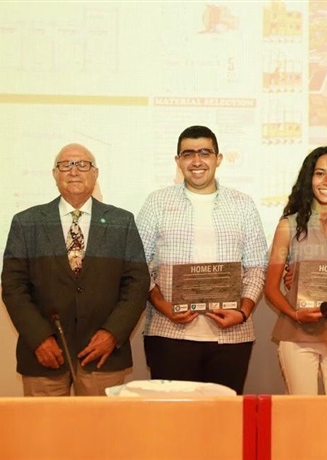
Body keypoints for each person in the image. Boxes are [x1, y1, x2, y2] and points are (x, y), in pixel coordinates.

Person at [1, 143, 150, 396]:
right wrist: (39, 338)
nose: (73, 171)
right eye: (65, 165)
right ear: (54, 174)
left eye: (82, 164)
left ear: (95, 173)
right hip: (45, 355)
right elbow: (13, 288)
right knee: (45, 423)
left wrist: (112, 334)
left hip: (102, 355)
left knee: (100, 422)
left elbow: (137, 284)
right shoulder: (26, 223)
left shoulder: (121, 222)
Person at [136, 125, 267, 395]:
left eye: (205, 153)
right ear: (178, 161)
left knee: (223, 417)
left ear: (218, 158)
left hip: (232, 336)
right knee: (174, 416)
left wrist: (242, 312)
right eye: (188, 154)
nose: (197, 161)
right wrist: (164, 306)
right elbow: (138, 264)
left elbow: (256, 267)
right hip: (169, 333)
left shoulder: (243, 204)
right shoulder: (156, 203)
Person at [266, 146, 327, 395]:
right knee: (303, 412)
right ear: (309, 178)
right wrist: (295, 314)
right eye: (320, 173)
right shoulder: (288, 226)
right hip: (297, 334)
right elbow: (271, 288)